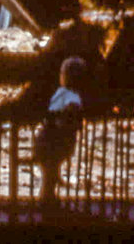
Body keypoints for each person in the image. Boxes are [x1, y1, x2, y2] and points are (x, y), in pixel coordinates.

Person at [34, 55, 87, 205]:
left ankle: (47, 197)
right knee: (50, 171)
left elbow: (64, 114)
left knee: (49, 171)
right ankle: (47, 197)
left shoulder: (66, 95)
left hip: (51, 140)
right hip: (55, 140)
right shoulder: (70, 96)